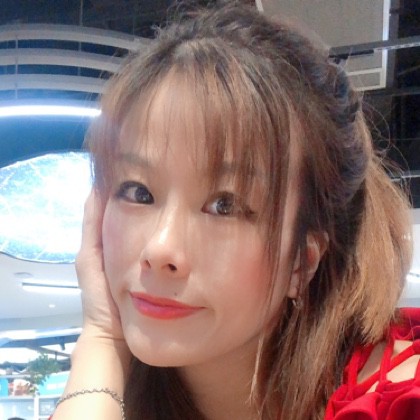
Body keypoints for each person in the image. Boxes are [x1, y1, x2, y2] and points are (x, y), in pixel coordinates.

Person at [52, 2, 420, 419]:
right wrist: (101, 340)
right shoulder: (101, 397)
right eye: (138, 192)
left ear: (301, 261)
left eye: (224, 205)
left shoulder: (398, 402)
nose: (160, 248)